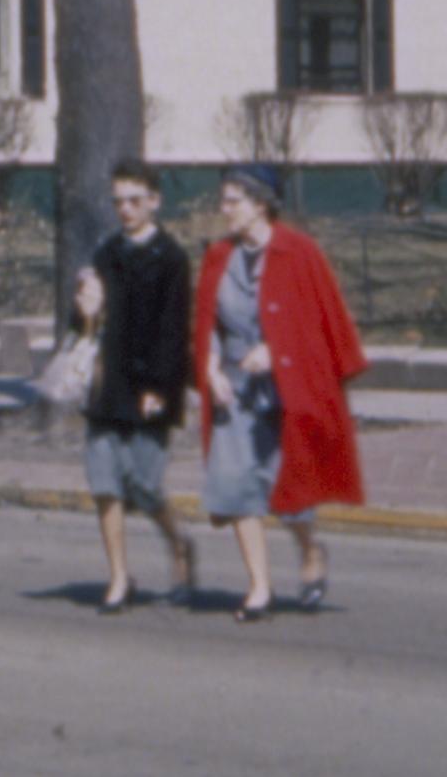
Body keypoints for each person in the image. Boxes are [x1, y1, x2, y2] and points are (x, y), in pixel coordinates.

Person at [191, 163, 367, 621]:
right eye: (223, 200)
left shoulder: (299, 252)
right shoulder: (218, 257)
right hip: (233, 389)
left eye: (233, 200)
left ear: (261, 203)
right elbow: (206, 320)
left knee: (288, 488)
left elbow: (321, 326)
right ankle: (259, 587)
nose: (224, 209)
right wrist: (210, 366)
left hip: (287, 389)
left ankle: (310, 551)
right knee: (235, 487)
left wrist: (274, 350)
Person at [73, 160, 196, 614]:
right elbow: (87, 323)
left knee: (144, 486)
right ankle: (119, 578)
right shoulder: (106, 254)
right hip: (108, 387)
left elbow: (172, 331)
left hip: (152, 389)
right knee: (106, 484)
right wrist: (84, 306)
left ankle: (179, 544)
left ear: (154, 201)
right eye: (118, 201)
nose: (125, 210)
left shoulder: (172, 258)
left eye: (134, 201)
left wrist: (158, 388)